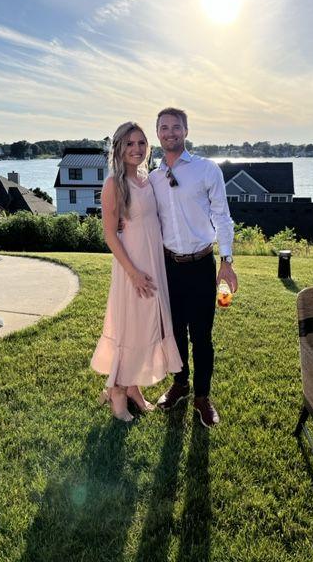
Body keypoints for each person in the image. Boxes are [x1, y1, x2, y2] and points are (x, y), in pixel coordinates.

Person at [150, 107, 238, 428]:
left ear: (186, 131)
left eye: (176, 127)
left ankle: (202, 397)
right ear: (157, 133)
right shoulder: (153, 178)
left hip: (201, 265)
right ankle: (180, 384)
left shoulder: (206, 170)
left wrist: (226, 262)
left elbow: (222, 217)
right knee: (173, 333)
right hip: (168, 267)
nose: (170, 133)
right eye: (164, 128)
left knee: (201, 337)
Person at [91, 121, 183, 422]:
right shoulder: (114, 184)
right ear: (118, 148)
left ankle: (133, 387)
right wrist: (133, 273)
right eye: (129, 144)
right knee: (131, 326)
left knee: (146, 326)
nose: (136, 149)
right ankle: (117, 390)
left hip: (154, 263)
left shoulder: (148, 179)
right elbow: (110, 234)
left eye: (141, 143)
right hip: (132, 267)